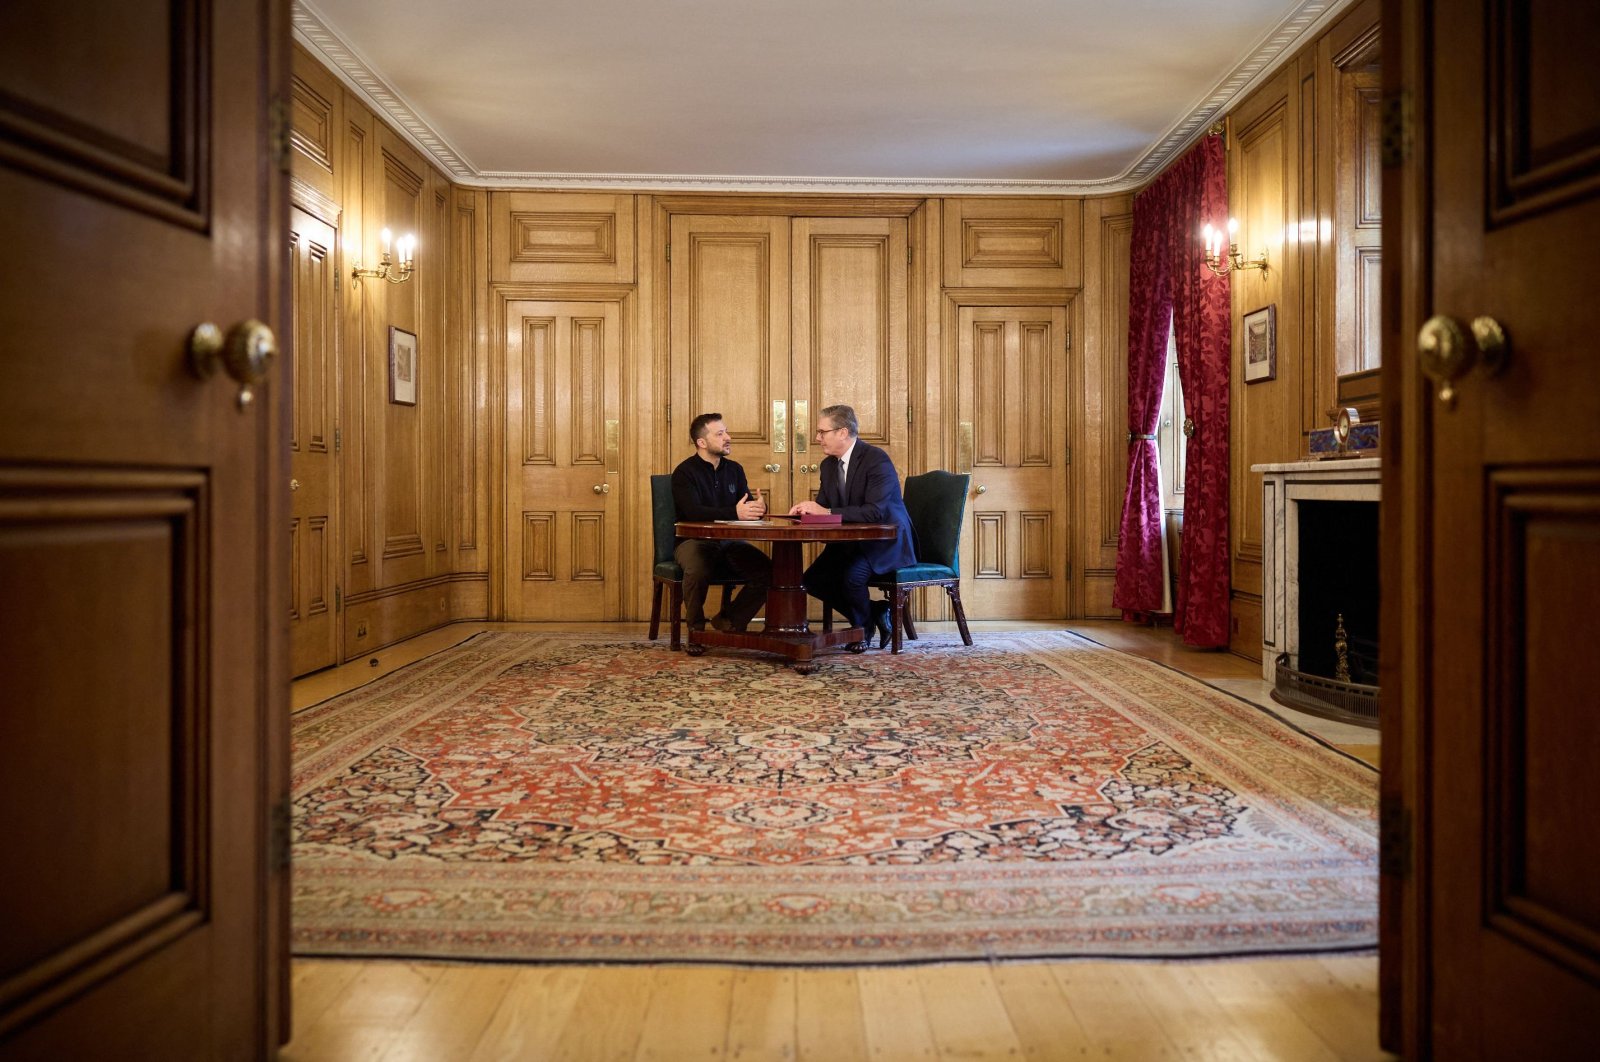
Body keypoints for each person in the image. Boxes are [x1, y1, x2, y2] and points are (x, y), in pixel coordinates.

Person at [788, 404, 917, 648]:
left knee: (851, 578)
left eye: (822, 432)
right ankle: (875, 612)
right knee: (811, 580)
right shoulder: (828, 466)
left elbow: (875, 511)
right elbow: (826, 508)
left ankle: (862, 629)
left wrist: (824, 511)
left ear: (843, 432)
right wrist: (806, 512)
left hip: (884, 541)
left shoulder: (876, 459)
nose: (817, 438)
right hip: (850, 542)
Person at [671, 413, 772, 632]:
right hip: (693, 541)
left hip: (729, 541)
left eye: (726, 431)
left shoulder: (735, 469)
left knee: (770, 572)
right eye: (720, 433)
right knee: (697, 570)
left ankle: (730, 621)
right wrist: (735, 512)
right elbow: (693, 512)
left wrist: (758, 509)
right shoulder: (684, 473)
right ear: (702, 442)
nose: (728, 437)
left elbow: (744, 506)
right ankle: (697, 631)